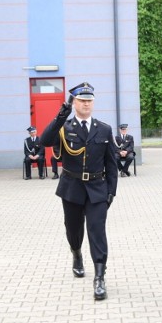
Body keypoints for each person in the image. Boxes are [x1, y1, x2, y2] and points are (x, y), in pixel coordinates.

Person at [40, 82, 118, 300]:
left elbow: (111, 164)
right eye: (82, 100)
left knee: (97, 231)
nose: (86, 104)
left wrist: (111, 191)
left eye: (89, 100)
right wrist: (60, 116)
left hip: (96, 189)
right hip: (72, 188)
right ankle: (76, 254)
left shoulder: (104, 129)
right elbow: (44, 141)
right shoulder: (65, 128)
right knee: (74, 229)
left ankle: (100, 277)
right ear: (74, 102)